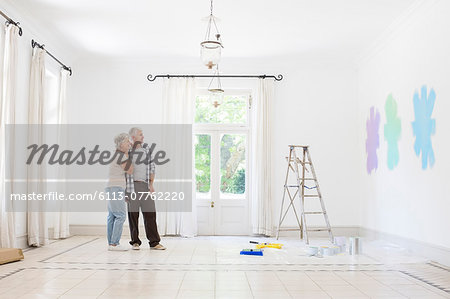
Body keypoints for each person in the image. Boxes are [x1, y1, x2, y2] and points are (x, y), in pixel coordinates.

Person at [126, 127, 166, 250]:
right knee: (133, 215)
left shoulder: (146, 149)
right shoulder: (127, 150)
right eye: (140, 134)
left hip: (145, 185)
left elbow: (152, 167)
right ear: (133, 137)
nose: (143, 136)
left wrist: (151, 184)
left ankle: (154, 242)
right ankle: (135, 241)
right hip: (132, 186)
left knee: (150, 213)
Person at [106, 133, 133, 251]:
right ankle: (114, 244)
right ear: (121, 144)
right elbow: (130, 170)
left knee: (112, 216)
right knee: (121, 216)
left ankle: (111, 243)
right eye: (127, 142)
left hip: (112, 188)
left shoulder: (116, 155)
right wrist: (128, 154)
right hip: (116, 188)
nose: (130, 144)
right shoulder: (121, 156)